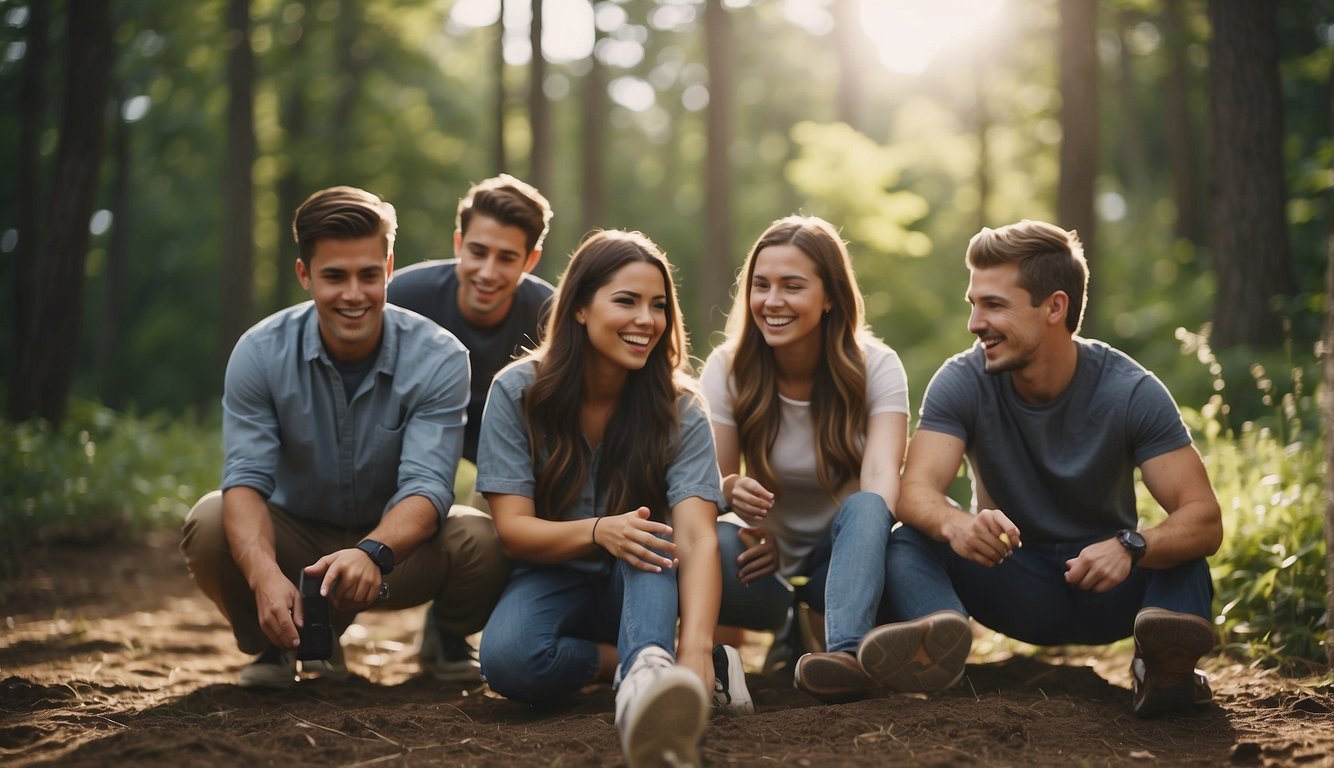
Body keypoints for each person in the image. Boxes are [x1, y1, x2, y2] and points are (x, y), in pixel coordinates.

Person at [876, 219, 1222, 717]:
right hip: (1010, 576)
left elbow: (1204, 517)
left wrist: (1132, 545)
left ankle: (1164, 670)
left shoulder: (1131, 391)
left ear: (1054, 307)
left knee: (1185, 553)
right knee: (907, 536)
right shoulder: (960, 380)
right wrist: (958, 524)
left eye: (994, 305)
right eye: (973, 304)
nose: (975, 323)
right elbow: (915, 491)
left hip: (1109, 584)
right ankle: (938, 643)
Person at [180, 186, 509, 689]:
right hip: (293, 537)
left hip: (396, 553)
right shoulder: (259, 352)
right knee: (209, 520)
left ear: (389, 268)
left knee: (481, 537)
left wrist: (373, 551)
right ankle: (278, 641)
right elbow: (245, 479)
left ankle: (446, 637)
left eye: (368, 275)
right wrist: (265, 575)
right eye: (334, 276)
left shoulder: (441, 356)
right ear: (304, 274)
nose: (353, 294)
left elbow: (428, 487)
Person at [474, 230, 750, 767]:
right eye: (626, 301)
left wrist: (695, 646)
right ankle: (646, 665)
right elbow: (512, 529)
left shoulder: (681, 407)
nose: (646, 320)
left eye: (658, 306)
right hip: (554, 570)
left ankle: (647, 684)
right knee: (508, 662)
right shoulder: (517, 392)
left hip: (648, 572)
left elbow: (695, 534)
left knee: (652, 543)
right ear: (579, 307)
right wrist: (600, 529)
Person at [699, 215, 910, 704]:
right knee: (714, 537)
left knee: (868, 506)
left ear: (831, 295)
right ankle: (774, 631)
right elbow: (712, 480)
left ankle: (845, 655)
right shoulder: (727, 368)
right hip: (761, 559)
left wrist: (855, 560)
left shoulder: (876, 365)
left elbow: (881, 479)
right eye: (761, 285)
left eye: (792, 286)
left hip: (845, 555)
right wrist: (733, 494)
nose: (772, 301)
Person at [386, 174, 554, 468]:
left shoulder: (551, 318)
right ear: (458, 243)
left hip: (515, 454)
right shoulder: (401, 299)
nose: (488, 272)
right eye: (478, 252)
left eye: (506, 258)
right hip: (408, 446)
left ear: (530, 260)